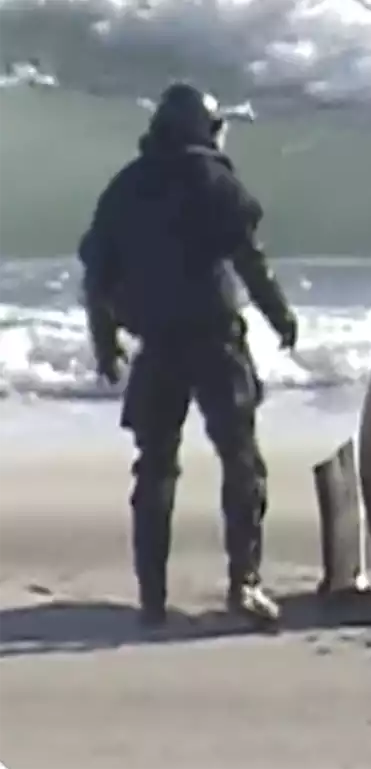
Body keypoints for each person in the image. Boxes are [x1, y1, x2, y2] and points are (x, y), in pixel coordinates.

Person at [77, 82, 298, 628]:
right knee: (241, 460)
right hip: (214, 340)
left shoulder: (125, 188)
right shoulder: (210, 176)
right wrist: (280, 314)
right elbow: (248, 256)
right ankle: (243, 583)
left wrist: (105, 345)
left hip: (157, 347)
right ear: (203, 129)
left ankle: (152, 597)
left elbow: (97, 277)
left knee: (154, 468)